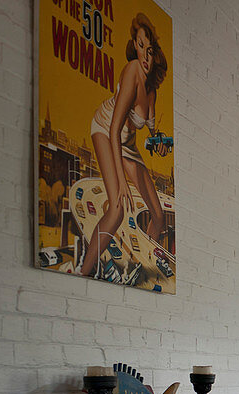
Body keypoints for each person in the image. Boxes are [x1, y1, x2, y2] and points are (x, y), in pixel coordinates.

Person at [84, 13, 169, 277]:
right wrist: (121, 182)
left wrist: (160, 144)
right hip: (106, 130)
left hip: (128, 145)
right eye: (141, 47)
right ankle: (83, 271)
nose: (145, 55)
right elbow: (113, 128)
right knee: (117, 209)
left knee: (158, 215)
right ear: (134, 45)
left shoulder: (151, 90)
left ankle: (140, 270)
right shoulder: (131, 70)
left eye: (150, 50)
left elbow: (153, 131)